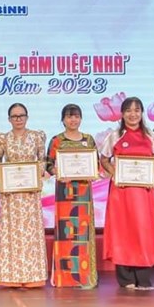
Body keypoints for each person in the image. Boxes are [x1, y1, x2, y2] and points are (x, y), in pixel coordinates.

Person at [99, 97, 154, 290]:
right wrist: (115, 174)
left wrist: (152, 175)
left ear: (142, 113)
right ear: (122, 114)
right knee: (123, 231)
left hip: (143, 192)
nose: (132, 114)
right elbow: (104, 158)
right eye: (128, 110)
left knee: (143, 230)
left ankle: (143, 277)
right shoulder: (115, 136)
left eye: (136, 110)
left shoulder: (151, 136)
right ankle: (126, 278)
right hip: (121, 192)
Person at [0, 103, 48, 288]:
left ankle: (33, 277)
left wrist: (35, 175)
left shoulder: (37, 137)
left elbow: (43, 160)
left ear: (27, 117)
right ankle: (10, 276)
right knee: (11, 233)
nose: (18, 119)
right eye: (14, 116)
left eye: (21, 115)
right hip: (11, 195)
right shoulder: (3, 139)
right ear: (9, 119)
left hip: (30, 194)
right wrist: (3, 181)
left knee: (31, 233)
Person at [45, 103, 99, 288]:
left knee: (83, 233)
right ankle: (64, 277)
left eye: (76, 116)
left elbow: (96, 164)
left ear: (81, 118)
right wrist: (57, 171)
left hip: (83, 193)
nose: (73, 120)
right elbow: (48, 164)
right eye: (69, 116)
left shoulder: (88, 139)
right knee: (65, 233)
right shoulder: (56, 140)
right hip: (65, 193)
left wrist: (92, 172)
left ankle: (84, 277)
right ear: (63, 120)